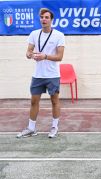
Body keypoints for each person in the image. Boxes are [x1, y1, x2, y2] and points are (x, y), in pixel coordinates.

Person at [17, 8, 65, 138]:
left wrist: (45, 56)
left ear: (51, 20)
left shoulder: (59, 35)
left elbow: (60, 57)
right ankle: (31, 128)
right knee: (34, 101)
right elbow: (28, 51)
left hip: (52, 75)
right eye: (42, 17)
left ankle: (54, 127)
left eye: (46, 17)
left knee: (54, 101)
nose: (44, 19)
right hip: (38, 75)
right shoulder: (34, 34)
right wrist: (29, 54)